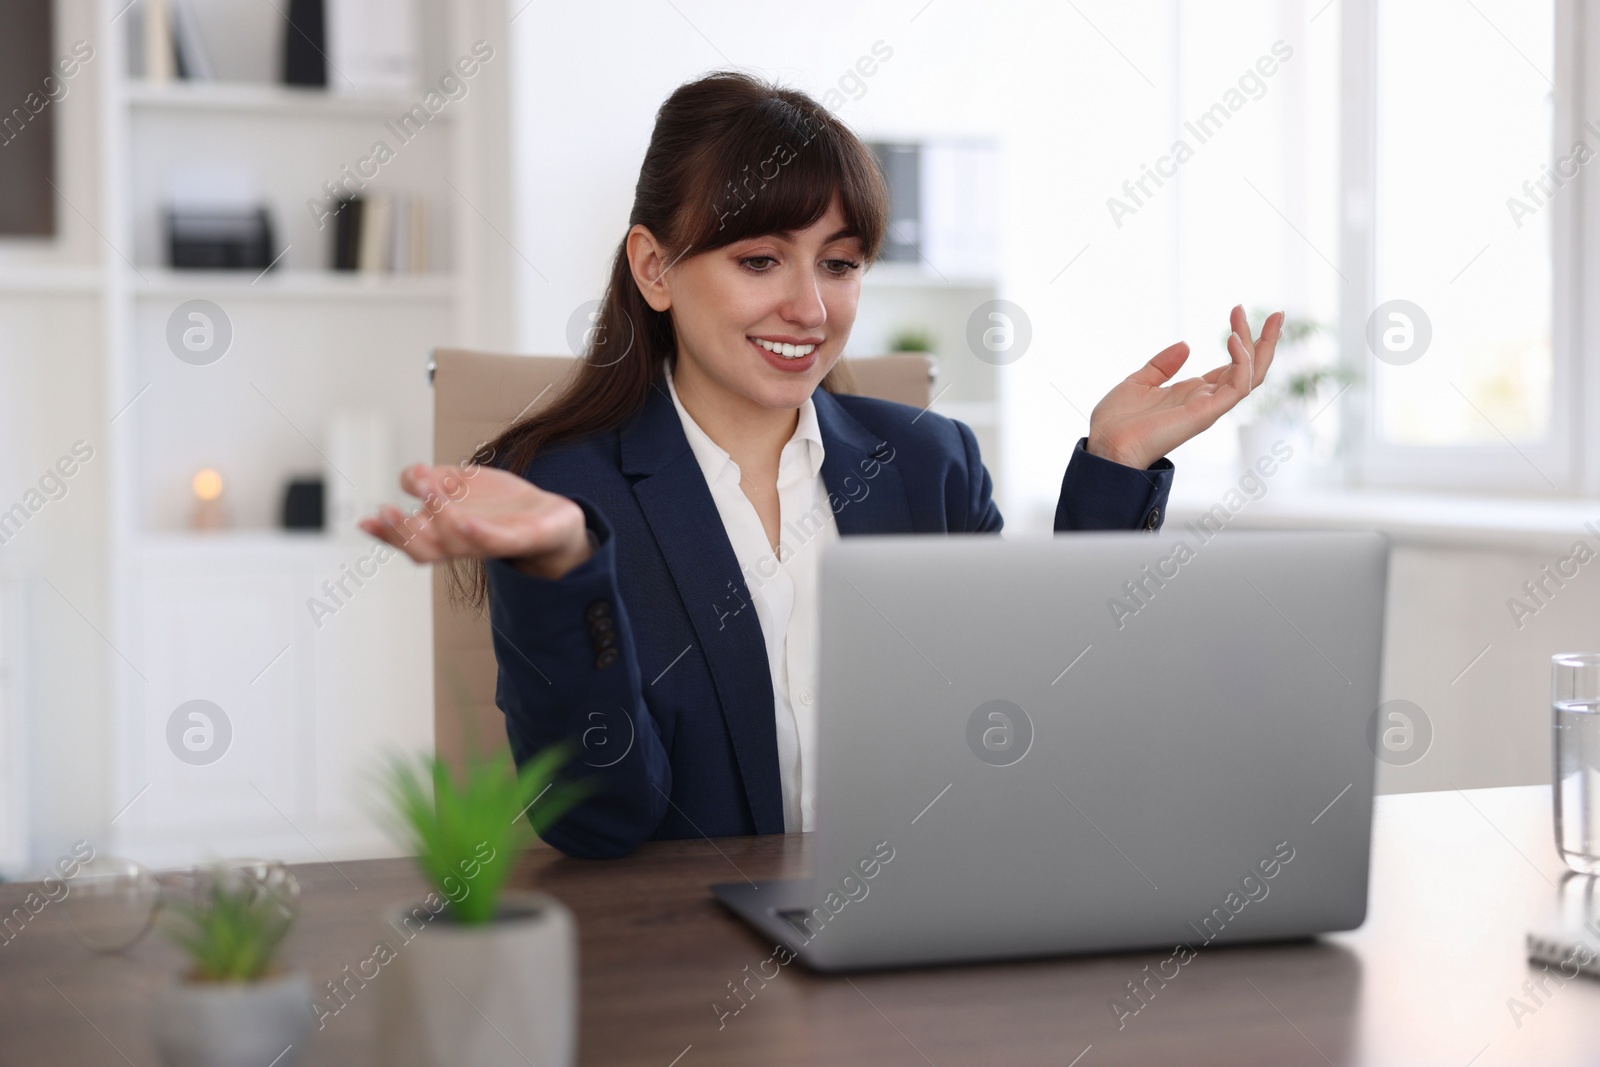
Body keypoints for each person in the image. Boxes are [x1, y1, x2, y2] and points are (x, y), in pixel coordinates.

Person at [360, 71, 1282, 859]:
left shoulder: (929, 461)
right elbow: (604, 823)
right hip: (693, 970)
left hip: (914, 924)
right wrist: (560, 567)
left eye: (839, 265)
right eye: (761, 259)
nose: (809, 306)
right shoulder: (568, 490)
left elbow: (1028, 722)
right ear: (653, 267)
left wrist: (1113, 467)